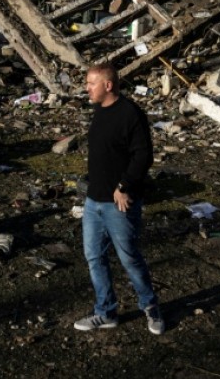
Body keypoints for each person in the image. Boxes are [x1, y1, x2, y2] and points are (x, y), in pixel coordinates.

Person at [73, 63, 165, 335]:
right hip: (93, 202)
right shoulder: (99, 111)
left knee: (129, 259)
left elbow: (143, 156)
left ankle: (151, 307)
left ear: (108, 85)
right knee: (94, 258)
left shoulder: (130, 114)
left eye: (91, 83)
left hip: (119, 204)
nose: (86, 88)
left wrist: (124, 185)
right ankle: (106, 312)